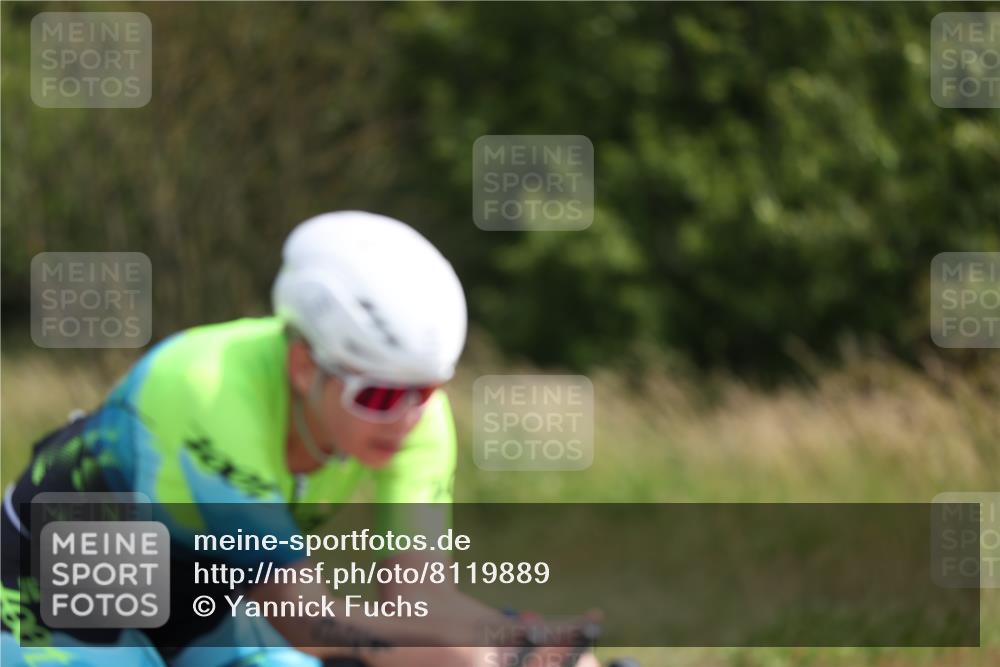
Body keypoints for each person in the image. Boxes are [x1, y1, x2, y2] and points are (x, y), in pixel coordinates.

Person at [1, 211, 599, 667]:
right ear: (304, 366)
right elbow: (305, 618)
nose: (410, 418)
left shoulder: (415, 414)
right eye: (380, 397)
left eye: (429, 390)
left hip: (203, 588)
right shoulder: (208, 392)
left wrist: (528, 642)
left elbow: (415, 594)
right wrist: (461, 650)